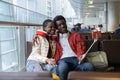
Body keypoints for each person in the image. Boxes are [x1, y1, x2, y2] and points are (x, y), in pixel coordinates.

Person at [53, 15, 94, 80]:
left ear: (66, 23)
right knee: (62, 68)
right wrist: (37, 35)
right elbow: (45, 34)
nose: (62, 26)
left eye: (63, 23)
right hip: (63, 61)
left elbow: (80, 47)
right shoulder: (54, 38)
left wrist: (80, 56)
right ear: (56, 27)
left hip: (76, 60)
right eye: (59, 25)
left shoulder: (76, 35)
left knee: (89, 66)